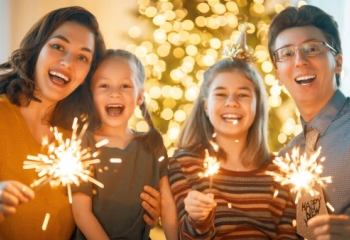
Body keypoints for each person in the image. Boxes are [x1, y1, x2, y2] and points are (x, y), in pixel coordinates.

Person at [0, 6, 106, 239]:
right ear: (37, 49)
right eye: (58, 46)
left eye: (82, 57)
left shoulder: (79, 140)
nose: (67, 62)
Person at [168, 52, 298, 238]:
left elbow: (288, 234)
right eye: (221, 94)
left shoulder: (279, 170)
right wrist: (198, 220)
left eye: (243, 95)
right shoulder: (183, 165)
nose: (231, 103)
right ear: (206, 105)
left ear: (257, 105)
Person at [71, 49, 178, 240]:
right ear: (91, 95)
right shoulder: (84, 143)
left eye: (125, 86)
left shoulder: (152, 144)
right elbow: (81, 213)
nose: (115, 93)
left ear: (139, 97)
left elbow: (167, 205)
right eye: (104, 85)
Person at [268, 4, 350, 239]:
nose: (300, 60)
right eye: (286, 53)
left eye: (312, 48)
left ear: (338, 62)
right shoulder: (286, 159)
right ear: (277, 74)